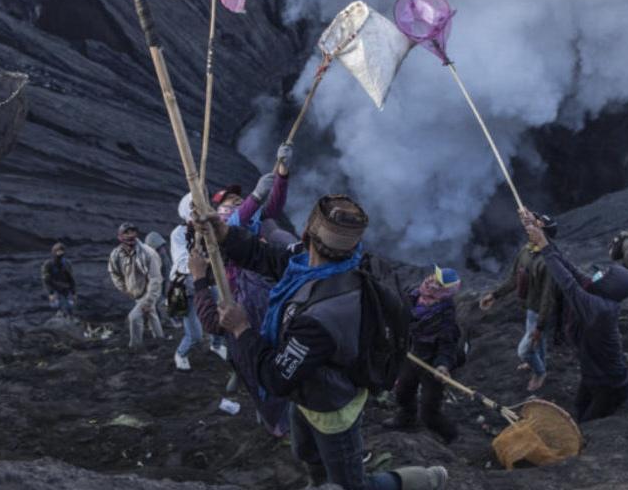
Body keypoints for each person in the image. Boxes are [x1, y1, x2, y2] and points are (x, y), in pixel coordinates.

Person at [209, 195, 448, 490]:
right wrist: (226, 235)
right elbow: (271, 259)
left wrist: (242, 328)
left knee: (352, 485)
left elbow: (276, 378)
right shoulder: (324, 265)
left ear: (307, 233)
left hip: (331, 407)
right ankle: (318, 482)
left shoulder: (323, 316)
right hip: (308, 394)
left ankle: (424, 480)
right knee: (306, 452)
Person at [521, 208, 628, 423]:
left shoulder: (600, 308)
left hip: (610, 385)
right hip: (591, 375)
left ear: (611, 286)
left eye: (604, 274)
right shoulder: (598, 292)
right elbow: (570, 267)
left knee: (588, 422)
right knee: (578, 410)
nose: (597, 274)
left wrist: (544, 245)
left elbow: (568, 283)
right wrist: (540, 234)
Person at [188, 244, 290, 436]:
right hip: (255, 355)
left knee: (270, 394)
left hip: (258, 355)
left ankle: (282, 431)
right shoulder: (254, 274)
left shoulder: (252, 286)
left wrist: (198, 278)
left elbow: (215, 323)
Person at [479, 215, 559, 392]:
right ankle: (538, 362)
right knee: (539, 342)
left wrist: (540, 326)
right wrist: (494, 295)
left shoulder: (548, 263)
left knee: (524, 351)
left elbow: (548, 297)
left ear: (545, 235)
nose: (530, 229)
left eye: (537, 227)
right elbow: (515, 278)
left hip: (541, 311)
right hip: (530, 308)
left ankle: (540, 372)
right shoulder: (526, 251)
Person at [384, 266, 462, 443]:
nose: (430, 282)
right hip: (411, 355)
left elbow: (447, 346)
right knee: (403, 391)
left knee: (429, 410)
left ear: (445, 291)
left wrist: (442, 366)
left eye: (437, 282)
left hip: (431, 366)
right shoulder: (412, 295)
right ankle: (406, 418)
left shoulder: (445, 317)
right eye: (433, 277)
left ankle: (449, 435)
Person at [169, 194, 227, 370]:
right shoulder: (178, 234)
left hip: (209, 281)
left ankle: (216, 345)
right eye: (195, 208)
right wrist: (200, 261)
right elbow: (180, 261)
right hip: (187, 286)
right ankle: (181, 354)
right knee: (195, 334)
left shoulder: (208, 229)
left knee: (222, 315)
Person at [107, 223, 164, 349]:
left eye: (133, 232)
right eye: (127, 233)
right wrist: (125, 288)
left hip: (150, 291)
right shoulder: (116, 254)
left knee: (134, 317)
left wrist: (149, 300)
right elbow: (114, 273)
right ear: (120, 237)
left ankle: (135, 347)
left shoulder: (147, 253)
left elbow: (155, 279)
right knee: (151, 314)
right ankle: (160, 341)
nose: (131, 235)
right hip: (136, 292)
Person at [41, 242, 77, 318]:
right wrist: (51, 293)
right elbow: (46, 279)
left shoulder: (66, 263)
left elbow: (71, 279)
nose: (60, 254)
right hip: (55, 289)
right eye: (58, 252)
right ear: (54, 252)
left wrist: (73, 292)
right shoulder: (48, 264)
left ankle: (69, 318)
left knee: (70, 306)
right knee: (56, 306)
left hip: (66, 289)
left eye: (62, 251)